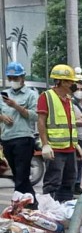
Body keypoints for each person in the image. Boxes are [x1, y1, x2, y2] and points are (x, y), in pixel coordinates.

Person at [37, 64, 82, 202]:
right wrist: (45, 144)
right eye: (71, 81)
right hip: (55, 149)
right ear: (62, 82)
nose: (74, 84)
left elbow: (70, 124)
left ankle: (64, 207)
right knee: (53, 182)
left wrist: (76, 145)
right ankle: (49, 208)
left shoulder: (68, 99)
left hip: (69, 148)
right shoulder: (46, 97)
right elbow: (41, 121)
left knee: (69, 182)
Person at [0, 62, 39, 198]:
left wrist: (16, 106)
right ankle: (30, 201)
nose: (13, 81)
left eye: (15, 78)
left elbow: (35, 116)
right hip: (7, 138)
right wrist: (2, 117)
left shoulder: (31, 94)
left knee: (22, 174)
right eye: (10, 78)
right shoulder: (4, 95)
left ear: (22, 77)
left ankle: (19, 201)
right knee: (17, 175)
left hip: (23, 139)